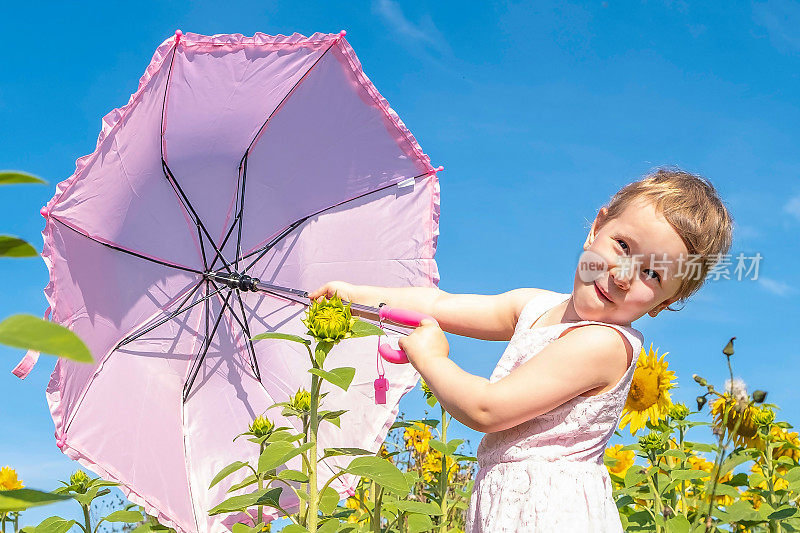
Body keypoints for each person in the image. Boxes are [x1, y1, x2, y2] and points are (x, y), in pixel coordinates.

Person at [308, 167, 734, 532]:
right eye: (623, 246)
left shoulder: (602, 344)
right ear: (597, 227)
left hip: (553, 514)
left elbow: (487, 410)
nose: (623, 275)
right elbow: (441, 305)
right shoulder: (533, 306)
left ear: (663, 305)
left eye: (652, 274)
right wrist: (355, 296)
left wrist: (432, 358)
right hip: (505, 505)